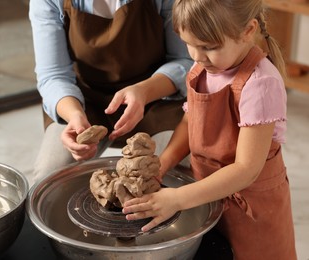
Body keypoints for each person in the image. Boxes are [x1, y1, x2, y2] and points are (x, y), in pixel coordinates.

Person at [122, 0, 297, 259]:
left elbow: (245, 170)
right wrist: (163, 163)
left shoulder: (261, 84)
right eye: (188, 44)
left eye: (208, 47)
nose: (196, 55)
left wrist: (178, 199)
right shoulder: (203, 67)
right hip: (204, 193)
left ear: (248, 31)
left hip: (251, 207)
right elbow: (190, 121)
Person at [29, 0, 192, 184]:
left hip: (157, 95)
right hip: (83, 100)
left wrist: (144, 91)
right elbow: (53, 75)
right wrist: (74, 114)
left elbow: (186, 60)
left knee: (179, 174)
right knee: (49, 179)